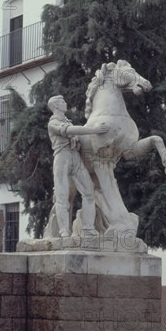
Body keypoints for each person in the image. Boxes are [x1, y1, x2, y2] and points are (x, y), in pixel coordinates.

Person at [47, 95, 109, 237]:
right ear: (56, 106)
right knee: (62, 196)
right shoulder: (53, 122)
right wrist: (94, 130)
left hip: (75, 156)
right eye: (63, 101)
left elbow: (76, 134)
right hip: (62, 157)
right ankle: (64, 230)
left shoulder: (67, 121)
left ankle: (88, 228)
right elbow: (69, 131)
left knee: (89, 190)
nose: (66, 103)